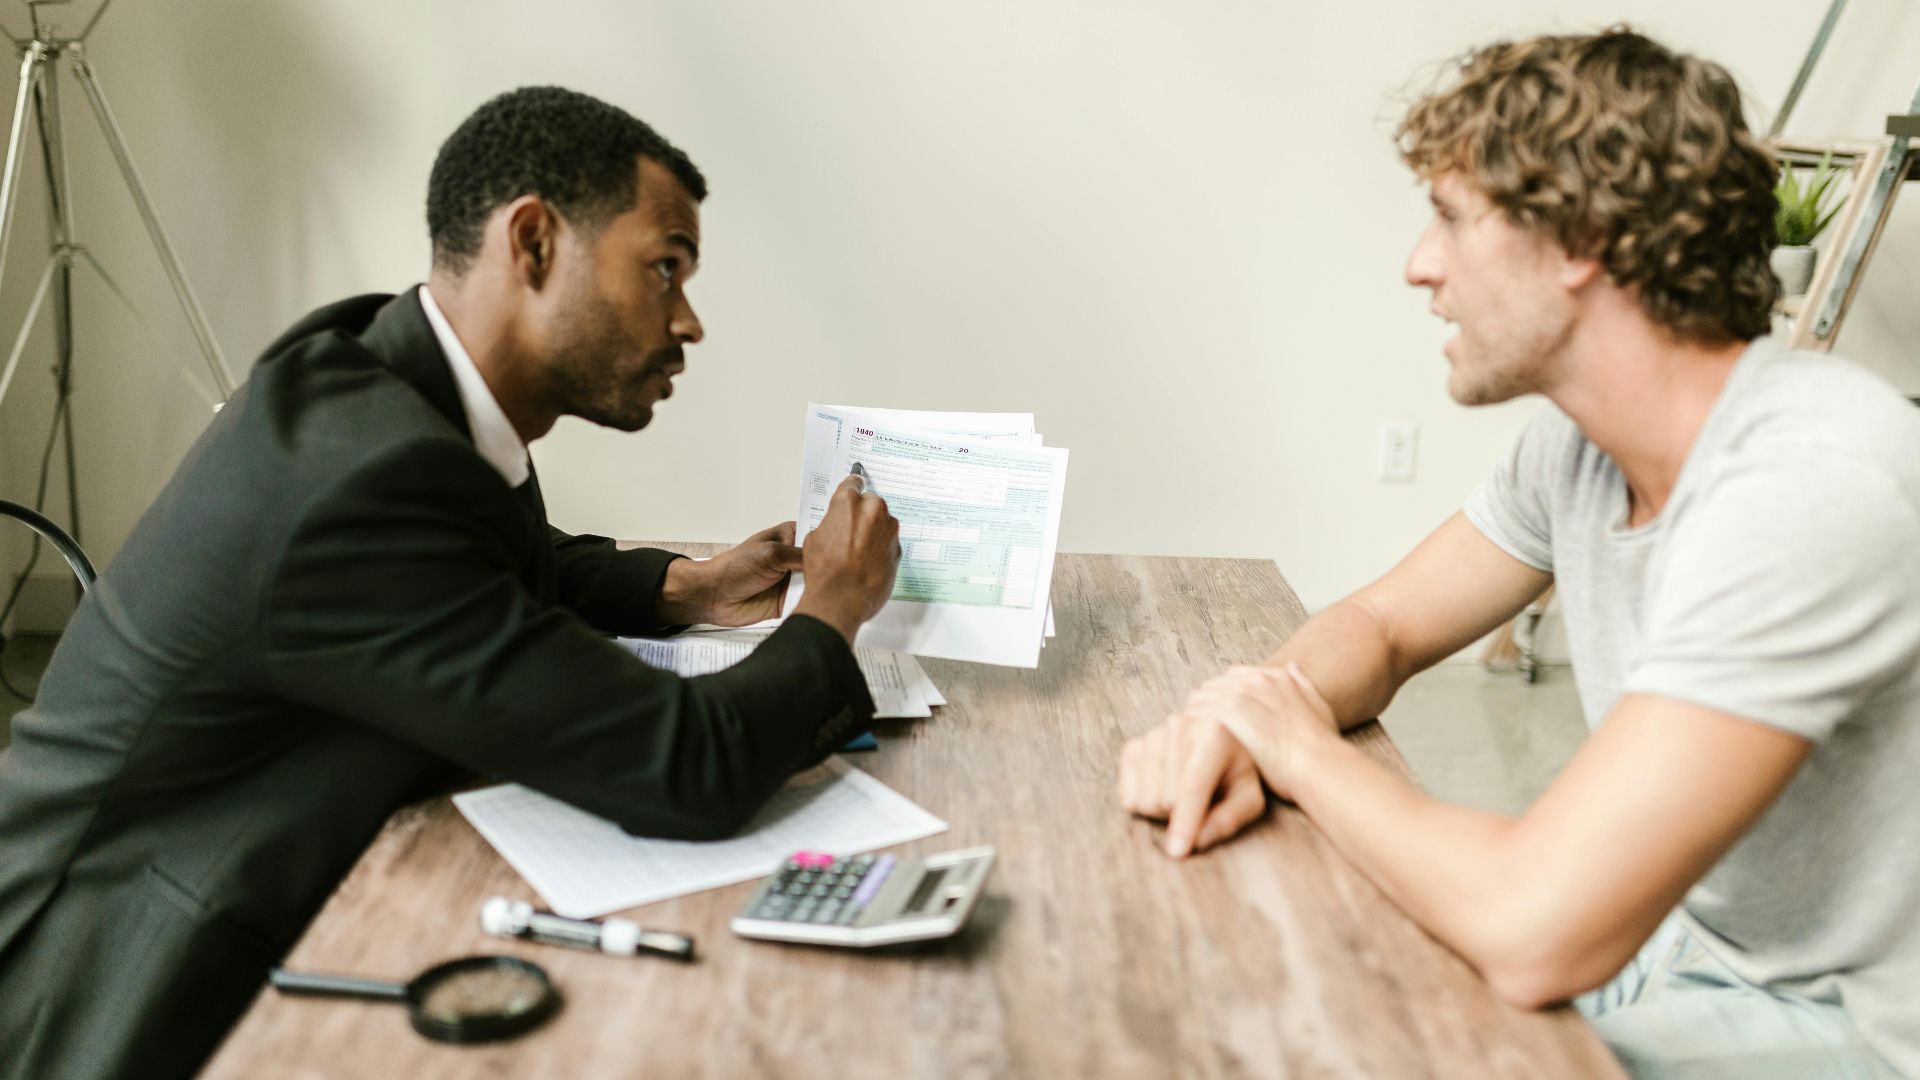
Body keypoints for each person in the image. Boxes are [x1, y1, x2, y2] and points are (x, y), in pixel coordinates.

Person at [0, 86, 901, 1080]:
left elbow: (471, 557)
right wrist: (833, 607)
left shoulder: (376, 368)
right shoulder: (360, 481)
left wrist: (678, 587)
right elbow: (684, 765)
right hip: (117, 983)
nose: (687, 321)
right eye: (664, 269)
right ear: (534, 243)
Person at [1119, 28, 1918, 1079]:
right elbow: (1386, 626)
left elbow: (1540, 928)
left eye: (1451, 218)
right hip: (1682, 949)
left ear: (1581, 236)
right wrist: (1256, 708)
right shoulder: (1576, 450)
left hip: (1852, 1025)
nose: (1419, 264)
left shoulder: (1814, 483)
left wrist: (1294, 747)